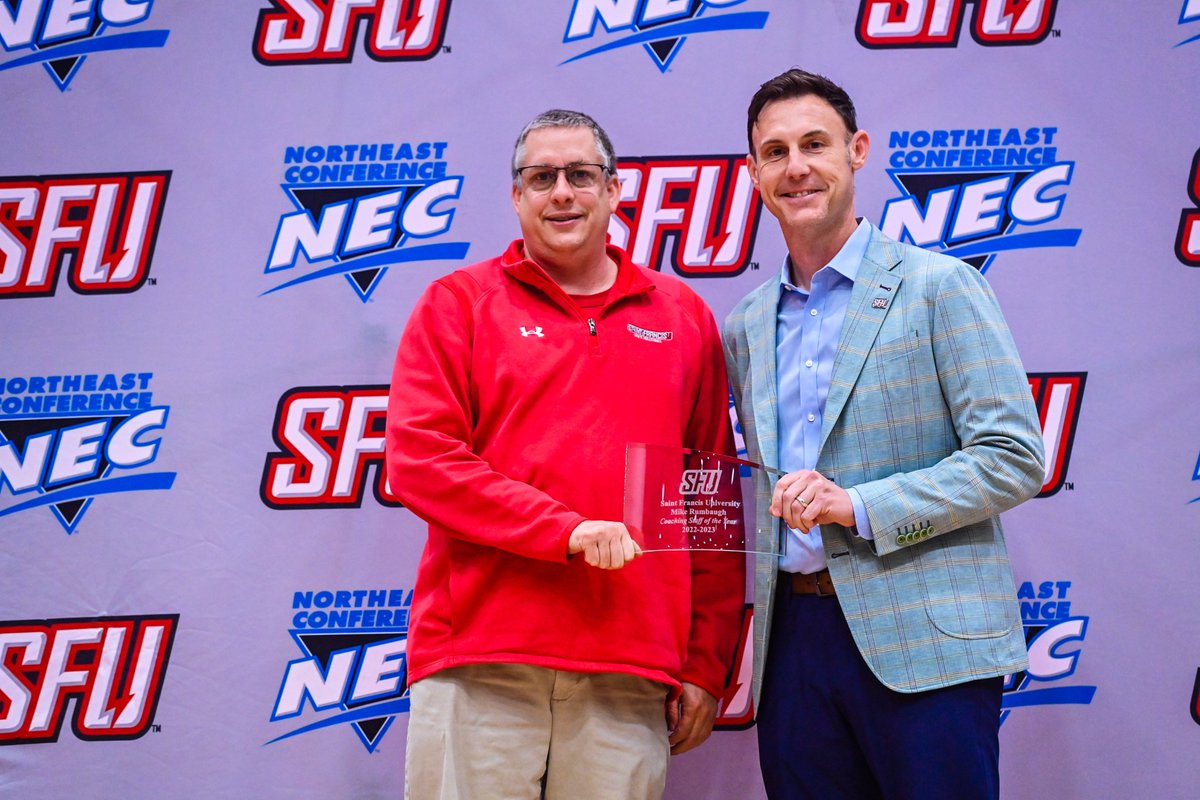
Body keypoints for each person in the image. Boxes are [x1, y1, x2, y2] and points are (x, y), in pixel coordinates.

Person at [386, 109, 742, 800]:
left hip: (628, 672)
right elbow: (421, 460)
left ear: (613, 190)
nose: (562, 193)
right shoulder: (458, 304)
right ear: (516, 195)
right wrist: (565, 530)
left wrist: (706, 663)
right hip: (481, 661)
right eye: (541, 177)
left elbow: (709, 504)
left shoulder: (682, 317)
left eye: (580, 174)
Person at [723, 69, 1046, 800]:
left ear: (858, 150)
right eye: (775, 152)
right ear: (753, 172)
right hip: (793, 643)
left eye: (815, 144)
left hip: (925, 641)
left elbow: (1013, 457)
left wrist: (860, 505)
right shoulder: (746, 323)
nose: (796, 167)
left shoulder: (940, 286)